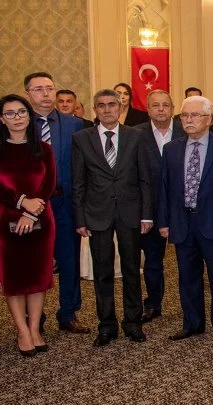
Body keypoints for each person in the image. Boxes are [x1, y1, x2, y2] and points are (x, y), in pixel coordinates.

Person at [72, 89, 155, 346]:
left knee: (132, 269)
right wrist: (80, 219)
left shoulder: (136, 136)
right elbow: (78, 182)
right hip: (97, 214)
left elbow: (145, 179)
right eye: (101, 105)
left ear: (120, 108)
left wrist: (147, 215)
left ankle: (133, 322)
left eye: (112, 104)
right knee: (102, 272)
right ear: (95, 110)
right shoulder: (82, 139)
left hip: (130, 213)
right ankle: (106, 325)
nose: (107, 109)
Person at [156, 95, 213, 342]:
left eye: (194, 115)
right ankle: (192, 323)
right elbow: (164, 187)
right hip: (182, 222)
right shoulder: (171, 149)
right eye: (184, 116)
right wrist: (164, 221)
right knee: (187, 275)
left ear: (208, 119)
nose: (188, 120)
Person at [24, 73, 89, 334]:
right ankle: (34, 316)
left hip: (64, 202)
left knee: (69, 258)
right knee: (33, 261)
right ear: (28, 94)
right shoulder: (19, 124)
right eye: (38, 89)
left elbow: (83, 167)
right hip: (30, 206)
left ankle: (68, 312)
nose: (46, 94)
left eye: (49, 88)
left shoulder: (75, 124)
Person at [0, 94, 56, 356]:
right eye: (10, 113)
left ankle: (34, 329)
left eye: (21, 112)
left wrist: (32, 213)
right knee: (14, 278)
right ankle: (22, 331)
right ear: (2, 119)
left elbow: (49, 184)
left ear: (29, 115)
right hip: (5, 221)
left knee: (38, 277)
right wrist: (23, 202)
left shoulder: (43, 149)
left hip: (41, 220)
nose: (17, 117)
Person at [132, 90, 184, 323]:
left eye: (165, 105)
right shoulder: (135, 134)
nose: (161, 109)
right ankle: (153, 304)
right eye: (156, 105)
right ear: (148, 109)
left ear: (173, 109)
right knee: (153, 260)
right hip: (150, 208)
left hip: (183, 207)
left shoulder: (186, 130)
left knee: (189, 260)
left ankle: (191, 308)